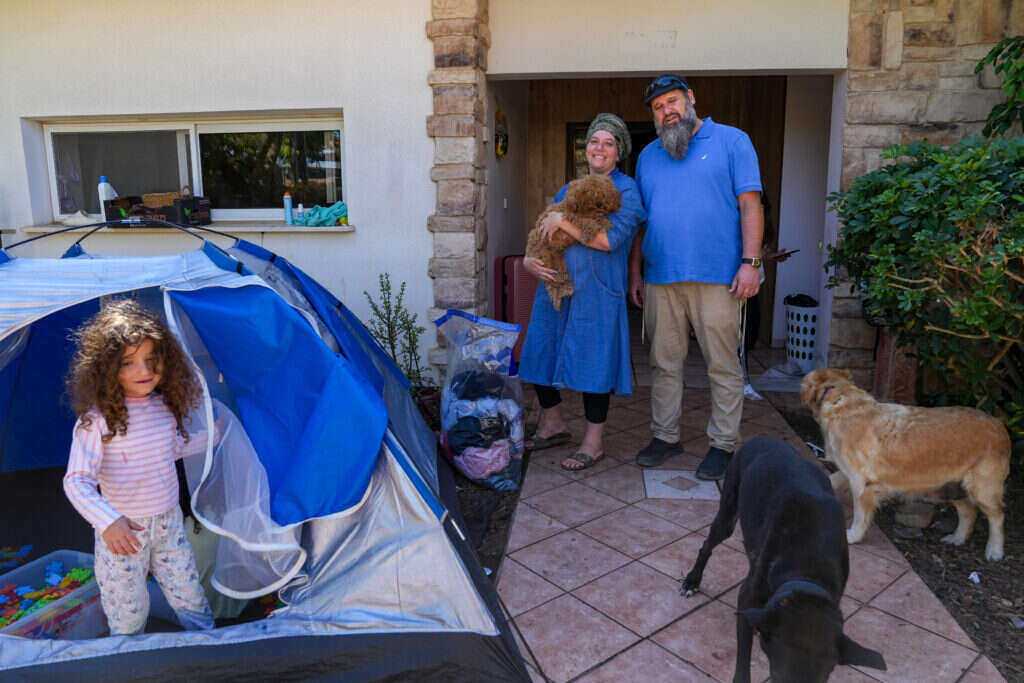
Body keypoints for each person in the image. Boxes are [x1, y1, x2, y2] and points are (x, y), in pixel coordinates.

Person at [628, 75, 765, 480]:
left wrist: (751, 263)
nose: (667, 111)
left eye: (672, 101)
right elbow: (640, 222)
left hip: (719, 277)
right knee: (663, 362)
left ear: (690, 99)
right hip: (660, 277)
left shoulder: (733, 141)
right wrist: (635, 271)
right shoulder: (648, 156)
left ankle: (723, 443)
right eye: (658, 107)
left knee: (722, 365)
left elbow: (751, 205)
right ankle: (665, 436)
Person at [64, 299, 215, 635]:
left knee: (190, 595)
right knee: (127, 609)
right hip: (123, 532)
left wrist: (213, 436)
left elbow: (169, 449)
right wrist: (108, 521)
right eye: (129, 363)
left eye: (151, 360)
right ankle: (126, 658)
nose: (144, 372)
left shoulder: (163, 407)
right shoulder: (96, 421)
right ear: (106, 369)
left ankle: (210, 650)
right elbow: (77, 481)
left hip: (168, 523)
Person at [519, 113, 646, 471]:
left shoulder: (627, 191)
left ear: (619, 152)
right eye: (594, 141)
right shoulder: (568, 189)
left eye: (608, 143)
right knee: (540, 352)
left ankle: (593, 443)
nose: (599, 148)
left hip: (598, 291)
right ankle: (554, 423)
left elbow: (611, 240)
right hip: (556, 287)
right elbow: (544, 227)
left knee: (595, 362)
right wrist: (530, 260)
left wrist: (565, 223)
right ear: (586, 148)